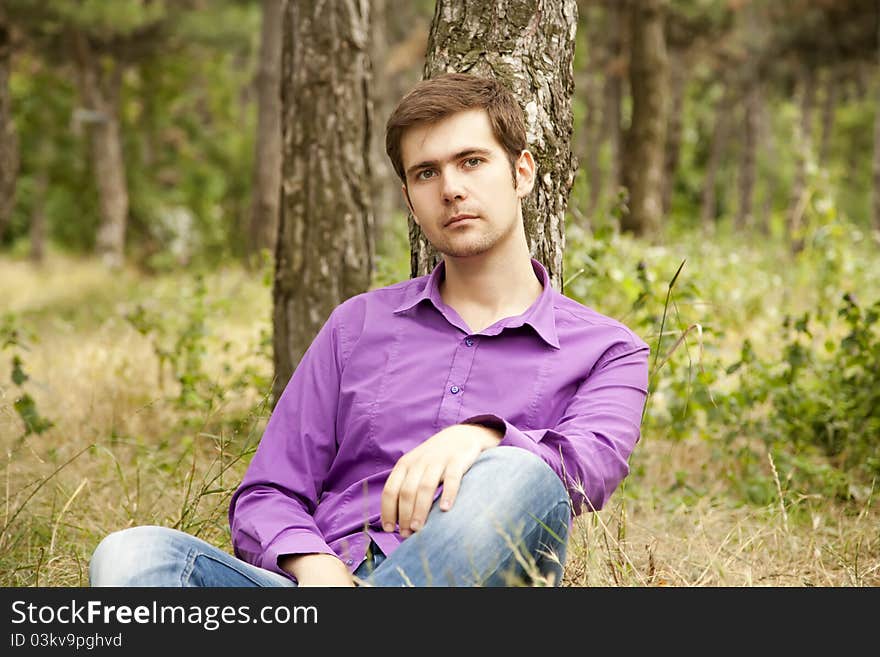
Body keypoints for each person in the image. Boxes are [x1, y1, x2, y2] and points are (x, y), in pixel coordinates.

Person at [89, 72, 649, 588]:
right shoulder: (357, 325)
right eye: (426, 173)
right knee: (131, 557)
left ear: (521, 172)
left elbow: (583, 470)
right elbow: (268, 493)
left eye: (472, 161)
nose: (450, 188)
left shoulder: (608, 351)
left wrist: (484, 436)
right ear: (410, 197)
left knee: (518, 474)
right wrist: (316, 567)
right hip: (320, 589)